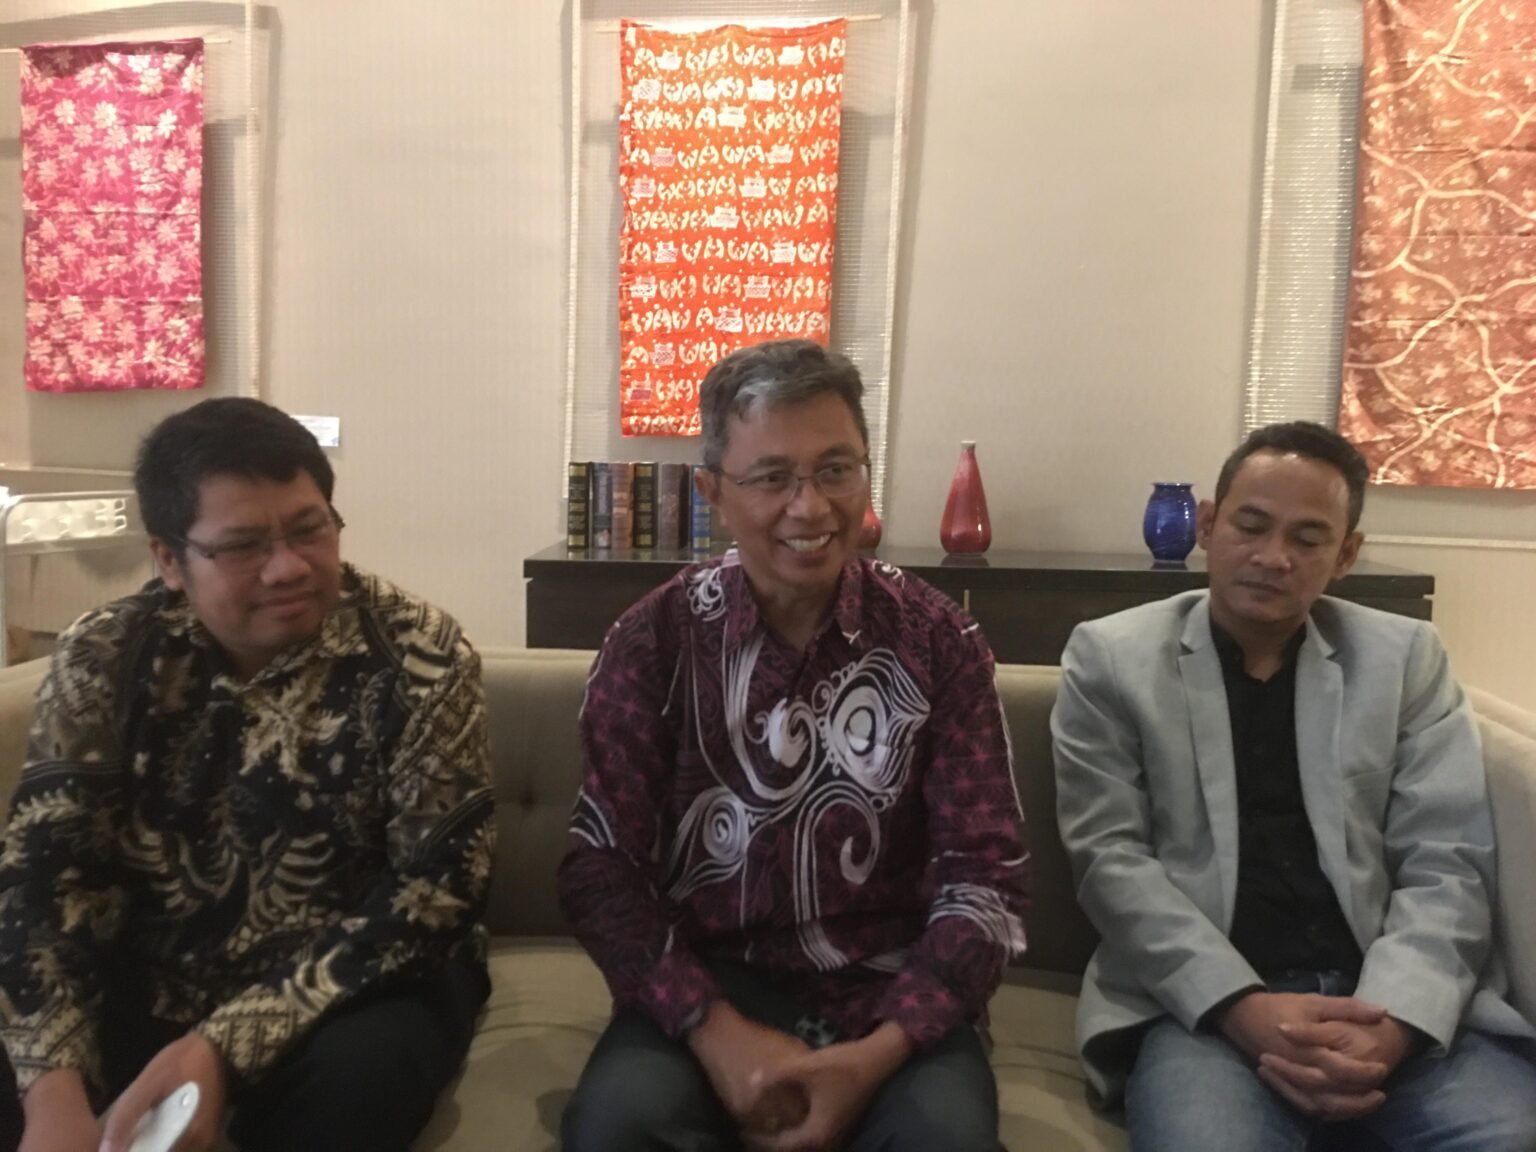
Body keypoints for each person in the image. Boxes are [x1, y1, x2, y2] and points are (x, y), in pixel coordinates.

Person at [558, 338, 1028, 1152]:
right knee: (614, 1130)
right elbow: (602, 868)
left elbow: (985, 876)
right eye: (773, 478)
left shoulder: (939, 642)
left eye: (835, 470)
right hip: (706, 987)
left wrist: (877, 1056)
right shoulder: (653, 642)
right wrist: (714, 1031)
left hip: (895, 994)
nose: (810, 509)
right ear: (712, 491)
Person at [0, 398, 496, 1152]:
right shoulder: (105, 656)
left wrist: (223, 1044)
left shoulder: (417, 652)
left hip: (352, 980)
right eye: (242, 546)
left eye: (310, 529)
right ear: (169, 560)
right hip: (150, 968)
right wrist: (51, 1089)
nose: (288, 566)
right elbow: (45, 875)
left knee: (365, 1075)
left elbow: (437, 892)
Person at [1052, 420, 1536, 1151]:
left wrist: (1391, 1024)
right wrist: (1243, 1008)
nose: (1272, 557)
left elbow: (1448, 862)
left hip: (1382, 1000)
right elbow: (1110, 863)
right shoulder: (1111, 659)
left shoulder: (1404, 659)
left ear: (1345, 556)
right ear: (1208, 526)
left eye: (1308, 539)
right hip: (1208, 1011)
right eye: (1251, 526)